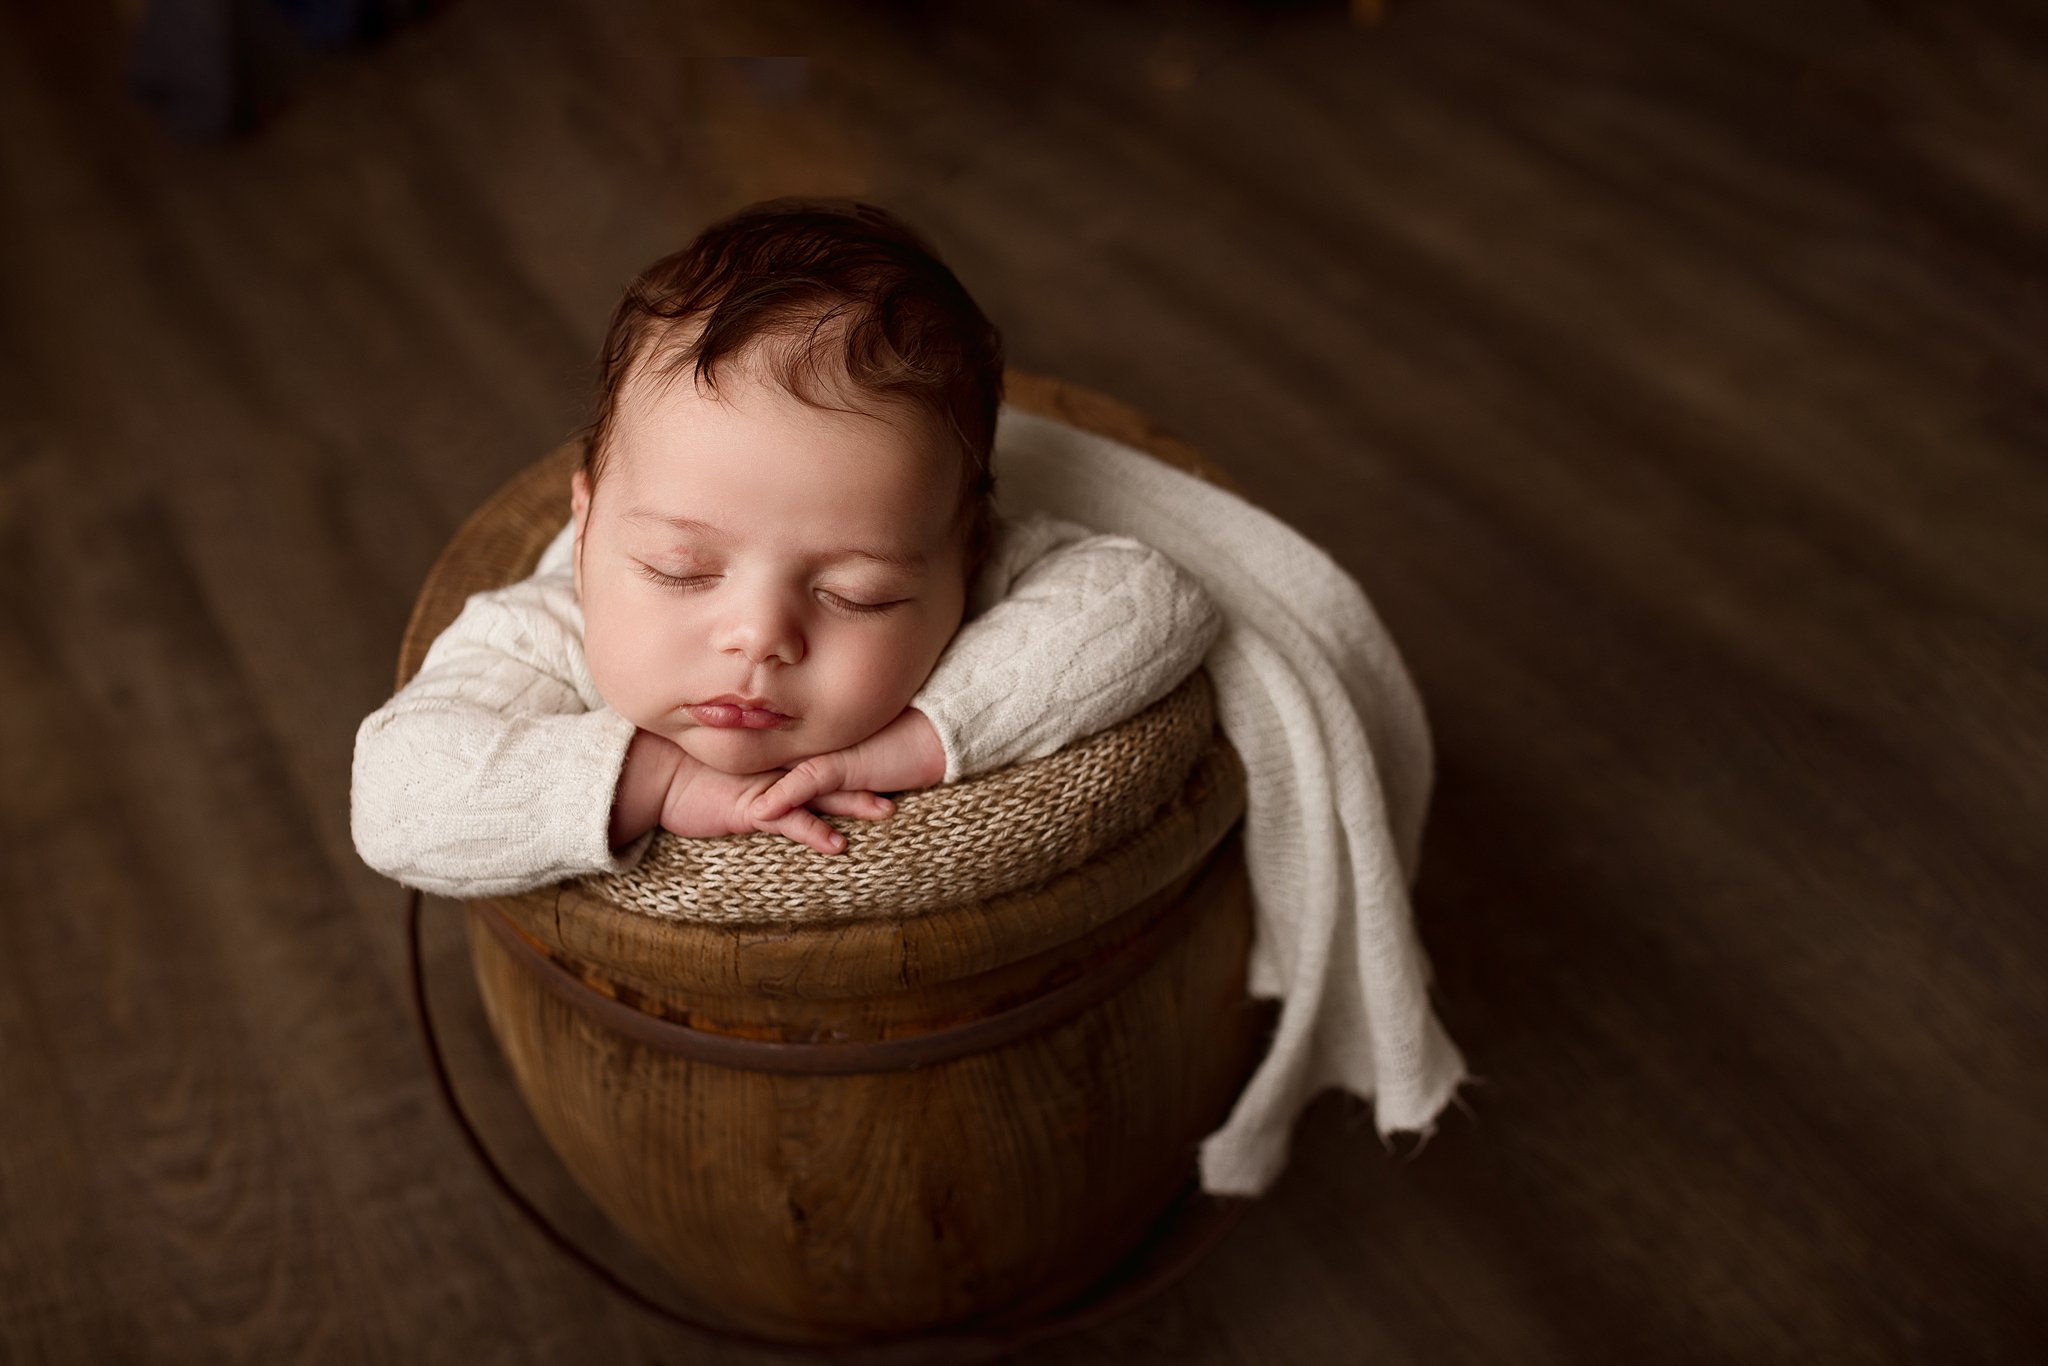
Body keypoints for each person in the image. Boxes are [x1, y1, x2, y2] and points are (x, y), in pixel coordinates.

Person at [351, 199, 1219, 897]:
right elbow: (396, 800)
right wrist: (657, 781)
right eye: (677, 571)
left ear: (966, 560)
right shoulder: (539, 636)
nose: (759, 637)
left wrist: (912, 741)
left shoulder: (973, 564)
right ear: (585, 533)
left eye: (857, 594)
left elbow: (1154, 598)